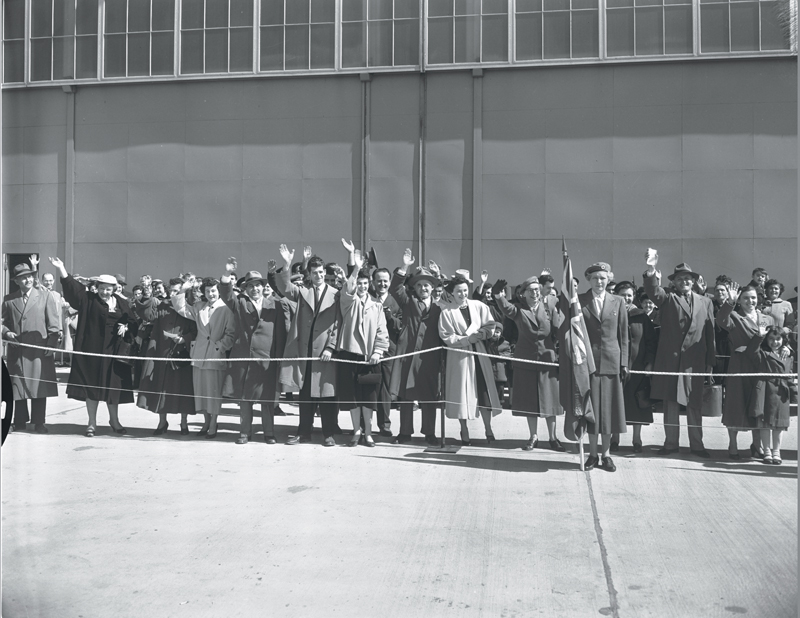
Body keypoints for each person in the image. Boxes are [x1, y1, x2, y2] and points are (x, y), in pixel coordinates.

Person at [50, 258, 138, 437]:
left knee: (112, 388)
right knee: (92, 387)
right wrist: (62, 270)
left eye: (108, 289)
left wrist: (126, 327)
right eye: (102, 288)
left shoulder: (122, 303)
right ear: (96, 288)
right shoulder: (88, 299)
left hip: (114, 352)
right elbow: (74, 291)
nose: (105, 292)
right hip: (92, 351)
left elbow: (133, 321)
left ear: (114, 289)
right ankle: (91, 423)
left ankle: (114, 421)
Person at [643, 252, 715, 458]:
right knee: (671, 403)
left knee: (694, 403)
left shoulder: (706, 302)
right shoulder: (668, 299)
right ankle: (671, 443)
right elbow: (652, 290)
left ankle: (697, 445)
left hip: (695, 361)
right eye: (680, 278)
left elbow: (710, 334)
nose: (684, 281)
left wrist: (710, 361)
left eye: (688, 278)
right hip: (671, 361)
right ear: (673, 282)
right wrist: (651, 271)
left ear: (693, 281)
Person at [220, 261, 290, 445]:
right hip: (245, 360)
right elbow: (226, 294)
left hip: (266, 360)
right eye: (250, 286)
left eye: (258, 285)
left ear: (263, 287)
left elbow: (280, 333)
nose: (255, 289)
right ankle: (245, 433)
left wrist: (279, 357)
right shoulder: (240, 303)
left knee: (267, 400)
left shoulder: (274, 305)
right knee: (245, 399)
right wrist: (227, 274)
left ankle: (269, 433)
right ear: (245, 289)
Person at [277, 247, 341, 447]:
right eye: (315, 273)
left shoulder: (336, 295)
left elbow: (339, 323)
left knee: (327, 395)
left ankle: (328, 434)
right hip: (305, 352)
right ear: (310, 274)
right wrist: (287, 264)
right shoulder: (302, 292)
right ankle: (303, 432)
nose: (319, 276)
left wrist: (331, 347)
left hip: (325, 353)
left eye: (321, 272)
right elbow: (284, 286)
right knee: (305, 396)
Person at [493, 275, 565, 451]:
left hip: (547, 360)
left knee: (550, 401)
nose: (534, 293)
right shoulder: (519, 310)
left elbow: (559, 329)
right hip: (526, 360)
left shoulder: (549, 306)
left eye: (536, 289)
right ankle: (533, 436)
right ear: (523, 293)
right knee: (530, 402)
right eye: (530, 290)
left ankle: (553, 437)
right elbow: (505, 308)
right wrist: (497, 295)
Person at [576, 263, 629, 472]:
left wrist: (624, 362)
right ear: (589, 279)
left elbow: (623, 335)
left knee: (607, 412)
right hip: (587, 363)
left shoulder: (618, 301)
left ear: (609, 280)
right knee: (591, 411)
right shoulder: (580, 301)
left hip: (611, 362)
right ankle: (592, 454)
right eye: (596, 278)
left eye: (603, 278)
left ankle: (606, 455)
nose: (599, 282)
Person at [439, 274, 503, 445]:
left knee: (483, 394)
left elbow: (491, 324)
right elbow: (446, 336)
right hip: (459, 357)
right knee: (462, 394)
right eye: (459, 291)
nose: (463, 294)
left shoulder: (478, 305)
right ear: (452, 293)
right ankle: (464, 429)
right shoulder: (446, 312)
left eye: (465, 290)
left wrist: (481, 334)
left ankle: (488, 429)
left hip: (479, 354)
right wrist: (467, 340)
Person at [389, 249, 444, 445]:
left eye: (427, 285)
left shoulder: (440, 306)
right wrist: (404, 266)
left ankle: (429, 432)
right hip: (408, 354)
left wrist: (438, 275)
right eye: (419, 285)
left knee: (429, 396)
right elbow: (395, 288)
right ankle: (405, 432)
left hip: (430, 357)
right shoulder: (408, 302)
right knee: (406, 396)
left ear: (432, 288)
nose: (423, 288)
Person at [171, 276, 236, 439]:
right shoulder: (199, 306)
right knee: (201, 392)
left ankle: (213, 424)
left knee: (214, 393)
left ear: (219, 291)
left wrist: (219, 347)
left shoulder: (226, 308)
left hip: (215, 355)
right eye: (207, 291)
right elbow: (180, 308)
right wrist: (183, 289)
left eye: (213, 291)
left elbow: (231, 334)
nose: (211, 294)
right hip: (199, 355)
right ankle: (206, 422)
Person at [716, 282, 775, 459]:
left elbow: (776, 340)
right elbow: (720, 320)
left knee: (757, 405)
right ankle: (732, 445)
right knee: (736, 405)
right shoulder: (733, 316)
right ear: (739, 300)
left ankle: (757, 446)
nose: (750, 301)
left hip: (760, 367)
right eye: (746, 298)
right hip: (739, 366)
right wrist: (729, 302)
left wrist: (786, 349)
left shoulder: (767, 319)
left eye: (753, 298)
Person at [2, 260, 61, 433]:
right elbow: (2, 322)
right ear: (16, 281)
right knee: (17, 386)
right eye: (23, 278)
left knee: (39, 387)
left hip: (39, 351)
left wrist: (51, 345)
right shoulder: (9, 300)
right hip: (17, 351)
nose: (28, 280)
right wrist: (6, 333)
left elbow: (54, 325)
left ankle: (39, 422)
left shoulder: (45, 296)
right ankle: (19, 421)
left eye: (29, 277)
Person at [337, 251, 389, 447]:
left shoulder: (376, 305)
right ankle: (356, 431)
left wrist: (378, 351)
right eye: (360, 283)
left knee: (368, 397)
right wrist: (357, 268)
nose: (362, 286)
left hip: (370, 357)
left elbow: (381, 330)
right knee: (352, 396)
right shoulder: (348, 300)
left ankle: (368, 432)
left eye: (365, 283)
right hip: (350, 354)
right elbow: (348, 288)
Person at [134, 277, 197, 435]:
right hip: (162, 351)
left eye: (178, 291)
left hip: (182, 353)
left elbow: (197, 330)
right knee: (162, 387)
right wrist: (147, 292)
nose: (174, 294)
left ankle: (184, 423)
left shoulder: (191, 307)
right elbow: (147, 315)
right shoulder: (163, 304)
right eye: (172, 291)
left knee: (184, 389)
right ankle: (162, 422)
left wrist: (185, 339)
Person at [611, 281, 658, 453]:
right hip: (614, 367)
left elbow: (651, 342)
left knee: (638, 404)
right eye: (623, 294)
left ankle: (637, 439)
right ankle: (614, 438)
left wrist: (650, 362)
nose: (627, 298)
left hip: (637, 367)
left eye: (629, 295)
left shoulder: (641, 316)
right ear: (615, 295)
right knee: (616, 403)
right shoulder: (609, 314)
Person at [747, 325, 796, 465]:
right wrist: (759, 335)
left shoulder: (788, 355)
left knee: (779, 424)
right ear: (766, 340)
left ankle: (777, 452)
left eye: (778, 339)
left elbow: (790, 376)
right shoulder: (762, 353)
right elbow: (751, 352)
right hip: (765, 390)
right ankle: (767, 451)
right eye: (771, 339)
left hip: (781, 392)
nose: (775, 342)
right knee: (765, 423)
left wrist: (795, 395)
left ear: (783, 339)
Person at [370, 266, 402, 437]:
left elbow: (402, 326)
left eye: (385, 281)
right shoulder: (368, 297)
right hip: (369, 348)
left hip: (389, 350)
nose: (382, 284)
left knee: (386, 388)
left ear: (389, 282)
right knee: (367, 385)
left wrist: (391, 317)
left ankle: (385, 425)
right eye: (379, 280)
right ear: (373, 282)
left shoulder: (396, 301)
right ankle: (363, 424)